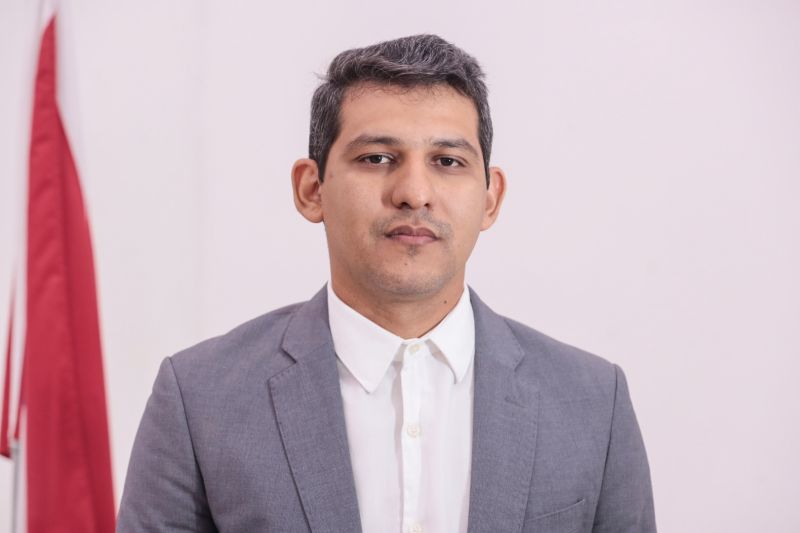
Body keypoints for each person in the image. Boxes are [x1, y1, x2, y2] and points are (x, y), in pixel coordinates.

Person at [117, 34, 656, 533]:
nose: (414, 192)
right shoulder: (199, 399)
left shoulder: (594, 402)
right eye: (376, 158)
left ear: (490, 198)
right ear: (311, 189)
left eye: (447, 161)